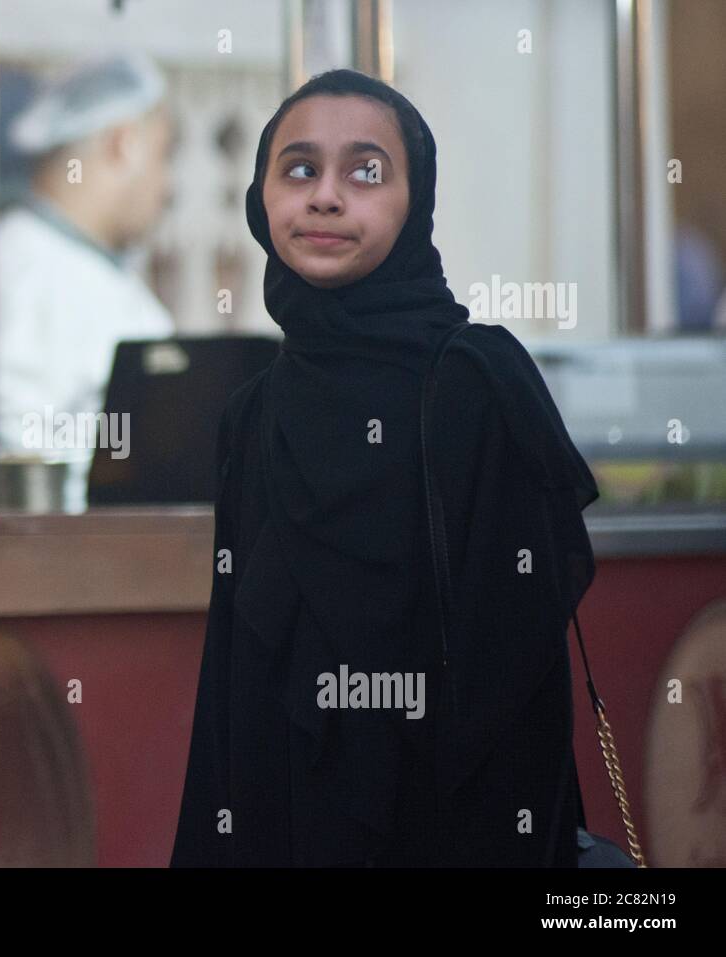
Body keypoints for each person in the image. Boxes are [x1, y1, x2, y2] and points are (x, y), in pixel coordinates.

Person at [170, 69, 599, 867]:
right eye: (299, 168)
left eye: (366, 171)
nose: (326, 196)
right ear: (261, 198)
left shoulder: (475, 381)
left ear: (415, 203)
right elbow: (230, 690)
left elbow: (520, 701)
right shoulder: (253, 416)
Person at [0, 53, 177, 512]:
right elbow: (19, 461)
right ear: (122, 143)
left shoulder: (94, 271)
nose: (166, 187)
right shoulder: (15, 271)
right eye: (163, 156)